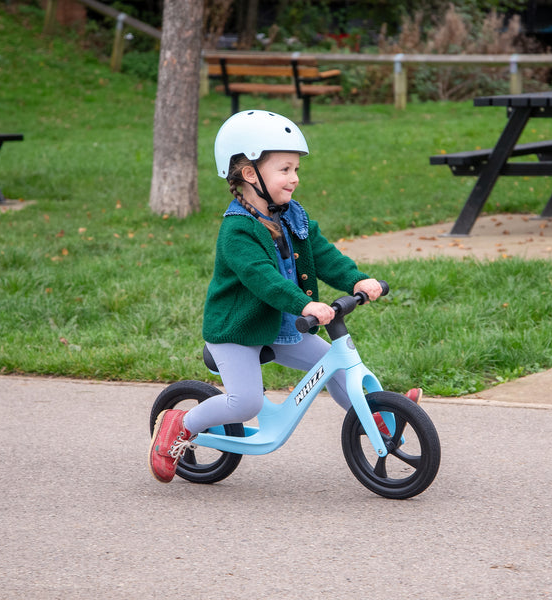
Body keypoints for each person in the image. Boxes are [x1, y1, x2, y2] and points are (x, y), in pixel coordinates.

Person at [149, 110, 421, 483]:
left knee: (337, 368)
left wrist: (358, 280)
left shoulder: (293, 217)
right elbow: (262, 279)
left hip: (281, 325)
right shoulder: (238, 231)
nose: (294, 178)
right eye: (285, 169)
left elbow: (324, 255)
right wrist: (305, 304)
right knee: (246, 402)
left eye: (296, 169)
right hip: (237, 330)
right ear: (250, 174)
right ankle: (178, 425)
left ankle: (381, 420)